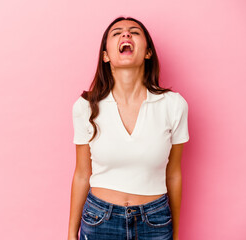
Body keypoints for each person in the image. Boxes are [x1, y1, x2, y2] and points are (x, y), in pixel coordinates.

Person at [68, 16, 190, 240]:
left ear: (148, 52)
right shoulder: (85, 106)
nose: (126, 34)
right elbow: (82, 174)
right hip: (99, 220)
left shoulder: (174, 105)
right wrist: (70, 234)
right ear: (106, 55)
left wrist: (176, 233)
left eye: (134, 32)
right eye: (117, 33)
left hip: (155, 221)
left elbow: (173, 174)